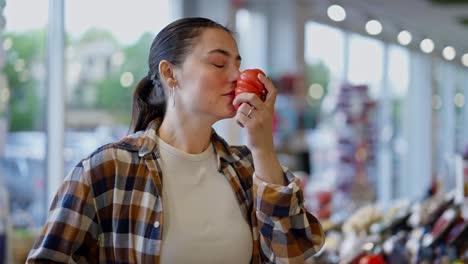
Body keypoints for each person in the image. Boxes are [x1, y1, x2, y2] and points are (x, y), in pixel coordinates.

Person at [26, 17, 324, 263]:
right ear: (170, 73)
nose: (238, 75)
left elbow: (292, 255)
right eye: (220, 64)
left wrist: (262, 145)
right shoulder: (106, 169)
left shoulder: (247, 167)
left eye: (238, 64)